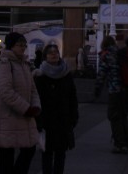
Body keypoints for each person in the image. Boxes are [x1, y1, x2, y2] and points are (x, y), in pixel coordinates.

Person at [0, 32, 40, 174]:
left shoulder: (24, 64)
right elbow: (5, 91)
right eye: (19, 45)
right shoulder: (4, 64)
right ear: (11, 46)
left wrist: (36, 106)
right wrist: (26, 108)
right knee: (6, 156)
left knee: (29, 149)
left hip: (25, 116)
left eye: (24, 45)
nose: (23, 48)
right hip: (8, 117)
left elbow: (33, 89)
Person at [34, 44, 78, 174]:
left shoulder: (66, 74)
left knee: (61, 153)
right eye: (50, 53)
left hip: (63, 119)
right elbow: (36, 99)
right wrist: (38, 120)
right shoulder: (40, 76)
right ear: (45, 57)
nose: (54, 54)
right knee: (47, 153)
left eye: (56, 52)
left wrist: (74, 116)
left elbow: (72, 96)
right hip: (47, 120)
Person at [94, 35, 128, 154]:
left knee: (114, 116)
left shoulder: (107, 56)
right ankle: (127, 141)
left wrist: (97, 89)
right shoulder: (120, 53)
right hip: (126, 90)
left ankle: (120, 144)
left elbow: (101, 75)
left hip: (115, 90)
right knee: (122, 116)